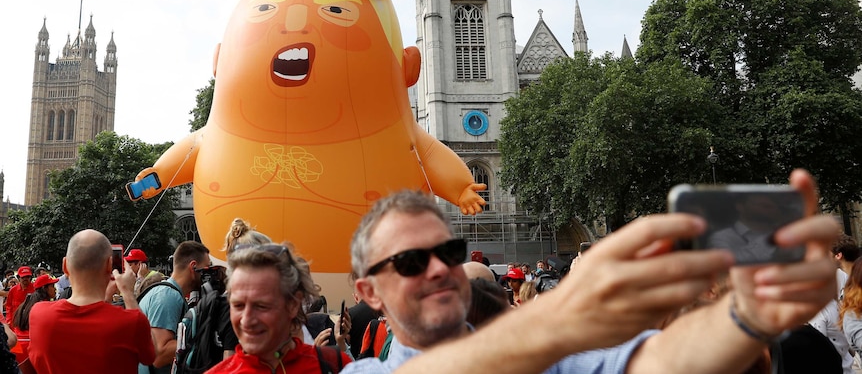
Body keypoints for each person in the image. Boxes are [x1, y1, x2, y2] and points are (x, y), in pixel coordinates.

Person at [346, 169, 838, 374]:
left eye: (449, 251)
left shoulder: (552, 360)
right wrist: (554, 320)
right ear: (368, 290)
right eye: (411, 262)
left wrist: (744, 315)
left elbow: (661, 361)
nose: (438, 269)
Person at [206, 242, 351, 373]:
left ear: (293, 305)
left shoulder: (335, 366)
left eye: (261, 306)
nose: (246, 320)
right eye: (238, 306)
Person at [28, 229, 154, 373]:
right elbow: (150, 357)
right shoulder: (132, 321)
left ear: (65, 265)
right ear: (109, 265)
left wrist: (105, 298)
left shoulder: (38, 314)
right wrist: (128, 293)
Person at [139, 241, 211, 374]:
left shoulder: (169, 293)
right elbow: (159, 354)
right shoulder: (168, 296)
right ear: (193, 267)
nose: (209, 275)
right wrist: (203, 338)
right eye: (206, 269)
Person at [10, 274, 57, 362]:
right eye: (52, 286)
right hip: (30, 348)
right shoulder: (44, 307)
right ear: (44, 288)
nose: (55, 289)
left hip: (18, 349)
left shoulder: (28, 302)